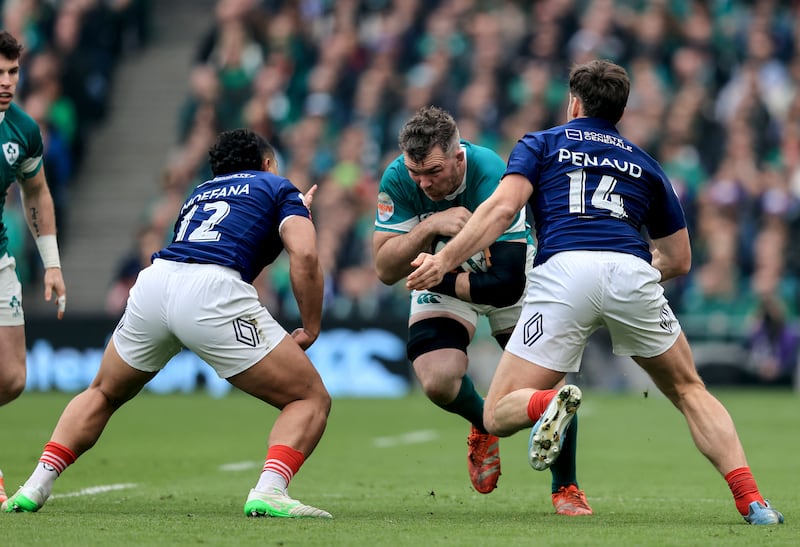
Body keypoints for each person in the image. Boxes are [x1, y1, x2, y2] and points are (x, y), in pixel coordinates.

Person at [406, 59, 784, 525]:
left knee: (497, 415)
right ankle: (753, 502)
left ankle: (548, 402)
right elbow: (680, 259)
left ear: (574, 103)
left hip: (564, 274)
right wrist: (633, 280)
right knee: (689, 390)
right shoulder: (644, 163)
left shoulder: (541, 143)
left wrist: (444, 259)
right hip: (631, 271)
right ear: (619, 112)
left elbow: (502, 210)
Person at [3, 128, 333, 519]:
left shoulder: (200, 193)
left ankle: (36, 484)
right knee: (309, 397)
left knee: (104, 392)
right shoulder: (279, 186)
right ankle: (270, 489)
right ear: (265, 163)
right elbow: (306, 256)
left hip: (156, 283)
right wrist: (310, 325)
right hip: (212, 293)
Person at [374, 106, 584, 509]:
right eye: (416, 173)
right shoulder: (398, 177)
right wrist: (429, 226)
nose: (423, 183)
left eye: (433, 172)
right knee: (437, 381)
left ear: (458, 156)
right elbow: (385, 268)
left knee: (552, 387)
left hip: (506, 276)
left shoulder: (491, 172)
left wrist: (440, 274)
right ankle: (484, 422)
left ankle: (566, 487)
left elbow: (505, 285)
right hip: (442, 272)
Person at [0, 31, 67, 505]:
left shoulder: (22, 129)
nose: (6, 81)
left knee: (11, 378)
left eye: (12, 71)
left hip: (0, 258)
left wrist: (52, 264)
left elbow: (36, 190)